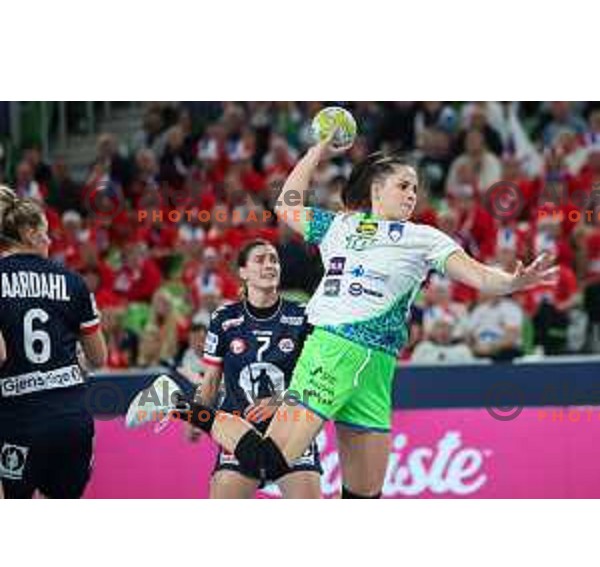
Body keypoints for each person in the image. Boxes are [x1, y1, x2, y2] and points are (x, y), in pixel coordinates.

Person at [133, 131, 557, 499]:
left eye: (416, 189)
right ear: (376, 189)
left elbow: (480, 276)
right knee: (267, 460)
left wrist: (513, 283)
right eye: (403, 185)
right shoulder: (340, 227)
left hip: (378, 371)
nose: (412, 195)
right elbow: (287, 204)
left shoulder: (425, 238)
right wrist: (318, 148)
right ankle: (177, 404)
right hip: (330, 353)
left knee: (365, 495)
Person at [130, 239, 321, 499]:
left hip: (288, 428)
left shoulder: (303, 316)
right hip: (237, 428)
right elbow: (211, 379)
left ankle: (174, 403)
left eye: (273, 260)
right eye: (260, 260)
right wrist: (201, 410)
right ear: (242, 272)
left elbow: (317, 382)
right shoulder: (225, 318)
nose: (269, 265)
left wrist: (278, 401)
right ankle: (178, 405)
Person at [0, 186, 107, 499]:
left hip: (18, 421)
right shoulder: (73, 281)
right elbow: (98, 357)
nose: (51, 240)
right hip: (71, 420)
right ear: (30, 234)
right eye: (46, 233)